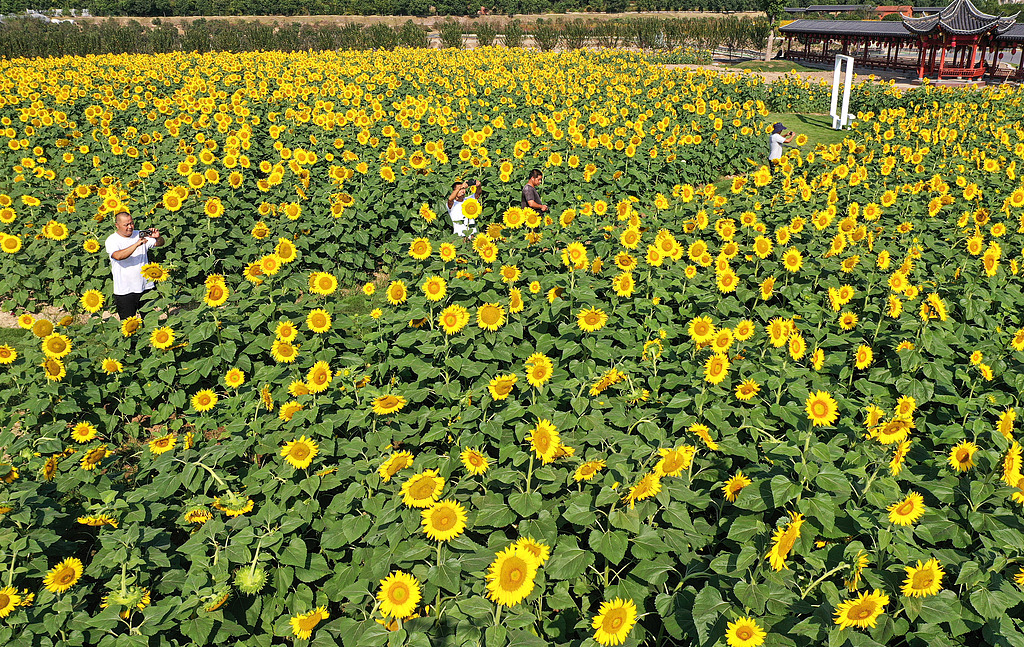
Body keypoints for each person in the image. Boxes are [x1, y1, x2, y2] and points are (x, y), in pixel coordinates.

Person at [105, 211, 165, 320]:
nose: (130, 227)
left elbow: (160, 243)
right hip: (125, 290)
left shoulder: (140, 234)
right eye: (126, 225)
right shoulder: (112, 240)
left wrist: (157, 237)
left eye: (131, 223)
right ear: (117, 225)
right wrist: (136, 244)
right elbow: (118, 256)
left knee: (150, 322)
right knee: (128, 325)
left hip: (146, 287)